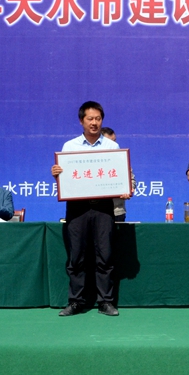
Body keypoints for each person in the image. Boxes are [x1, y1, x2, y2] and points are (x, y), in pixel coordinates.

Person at [50, 101, 128, 317]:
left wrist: (123, 188)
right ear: (81, 121)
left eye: (98, 119)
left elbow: (120, 176)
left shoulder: (112, 147)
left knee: (105, 255)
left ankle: (106, 302)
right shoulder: (69, 147)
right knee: (77, 257)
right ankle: (76, 302)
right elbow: (65, 178)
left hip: (103, 207)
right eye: (90, 119)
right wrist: (57, 174)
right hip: (77, 208)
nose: (94, 123)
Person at [100, 127, 136, 222]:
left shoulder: (122, 161)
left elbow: (131, 180)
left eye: (115, 141)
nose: (114, 145)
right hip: (97, 212)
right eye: (110, 142)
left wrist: (128, 190)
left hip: (117, 211)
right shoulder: (92, 162)